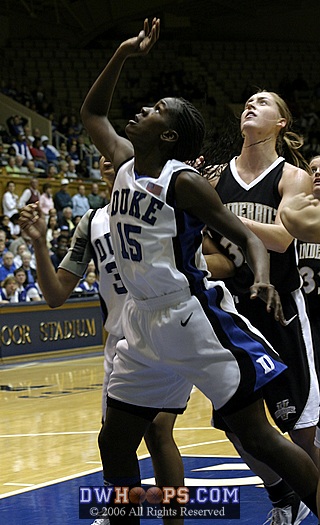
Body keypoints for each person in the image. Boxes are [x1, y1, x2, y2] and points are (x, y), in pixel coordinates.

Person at [79, 18, 318, 524]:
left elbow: (249, 235)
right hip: (141, 325)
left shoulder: (181, 181)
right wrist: (122, 53)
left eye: (156, 110)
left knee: (255, 434)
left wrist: (259, 277)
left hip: (189, 318)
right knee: (115, 439)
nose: (142, 110)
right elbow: (93, 111)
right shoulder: (123, 162)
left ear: (167, 135)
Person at [19, 155, 187, 525]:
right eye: (101, 155)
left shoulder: (162, 203)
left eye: (116, 151)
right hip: (121, 341)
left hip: (167, 328)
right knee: (115, 439)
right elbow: (56, 294)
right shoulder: (92, 221)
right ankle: (122, 512)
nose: (107, 157)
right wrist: (40, 245)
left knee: (158, 432)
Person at [201, 90, 319, 524]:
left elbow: (283, 236)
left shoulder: (291, 176)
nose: (251, 105)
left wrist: (217, 212)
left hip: (280, 312)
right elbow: (216, 255)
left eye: (264, 102)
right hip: (231, 315)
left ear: (281, 123)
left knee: (300, 433)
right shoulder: (214, 178)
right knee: (239, 428)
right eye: (247, 101)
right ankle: (283, 498)